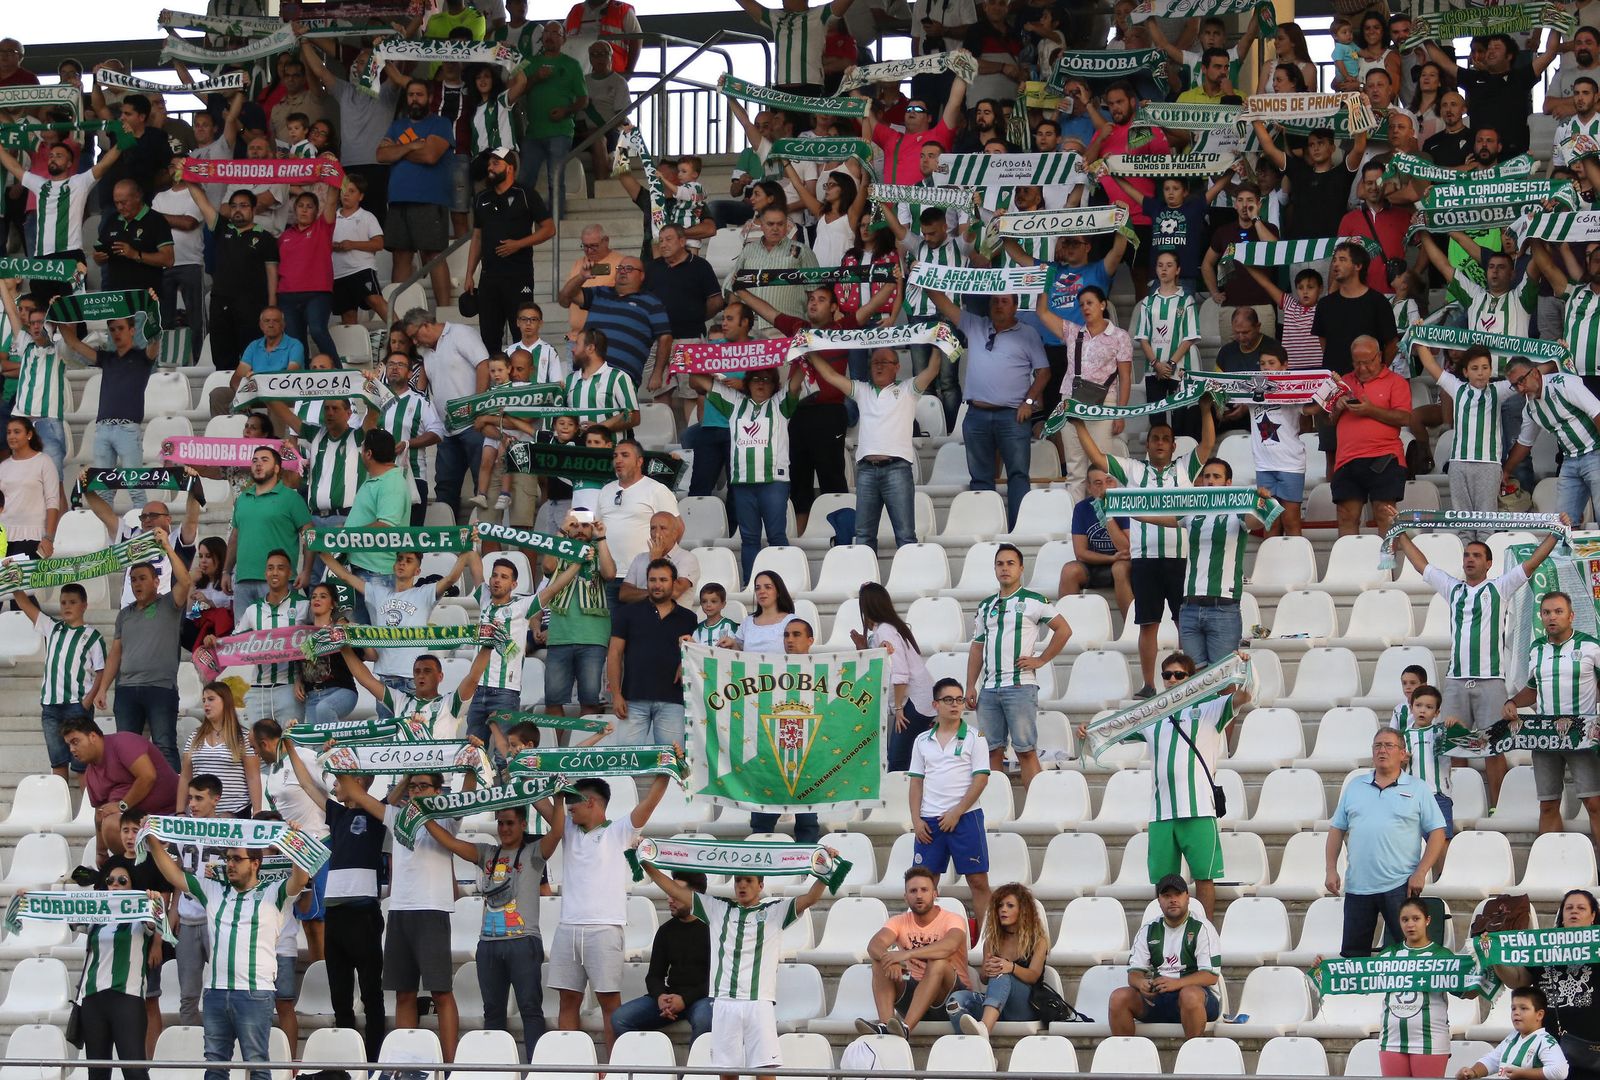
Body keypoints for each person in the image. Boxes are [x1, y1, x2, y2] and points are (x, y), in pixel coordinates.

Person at [636, 843, 837, 1080]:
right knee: (727, 1073)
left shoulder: (775, 910)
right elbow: (672, 888)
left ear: (761, 885)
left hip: (758, 1002)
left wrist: (828, 866)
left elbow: (812, 897)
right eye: (738, 880)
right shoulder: (716, 908)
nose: (742, 885)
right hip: (724, 1002)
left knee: (765, 1072)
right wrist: (645, 862)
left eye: (749, 881)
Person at [1392, 526, 1560, 809]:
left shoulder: (1500, 587)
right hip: (1456, 681)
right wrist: (1400, 534)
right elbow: (1422, 565)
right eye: (1467, 555)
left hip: (1491, 680)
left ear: (1488, 563)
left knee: (1494, 747)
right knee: (1455, 745)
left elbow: (1533, 562)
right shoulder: (1452, 588)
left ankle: (1496, 807)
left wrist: (1556, 534)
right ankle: (1461, 804)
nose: (1470, 559)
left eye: (1477, 555)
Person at [140, 821, 312, 1080]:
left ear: (255, 863)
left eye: (237, 859)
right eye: (228, 858)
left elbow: (300, 878)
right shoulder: (213, 890)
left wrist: (296, 842)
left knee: (257, 1065)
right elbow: (174, 876)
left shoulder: (273, 893)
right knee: (215, 1065)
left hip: (255, 992)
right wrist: (152, 841)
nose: (230, 864)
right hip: (216, 992)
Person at [1072, 410, 1215, 694]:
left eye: (1165, 439)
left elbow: (1208, 444)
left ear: (1174, 446)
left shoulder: (1186, 468)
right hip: (1145, 558)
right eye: (1155, 439)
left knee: (1182, 622)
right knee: (1147, 623)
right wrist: (1079, 424)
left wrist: (1207, 409)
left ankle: (1185, 679)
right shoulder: (1133, 470)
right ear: (1147, 445)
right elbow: (1099, 458)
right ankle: (1149, 683)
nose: (1160, 443)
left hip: (1179, 557)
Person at [418, 796, 563, 1061]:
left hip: (523, 940)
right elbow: (450, 842)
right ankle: (494, 1068)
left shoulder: (534, 853)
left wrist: (559, 799)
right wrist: (425, 818)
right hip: (488, 944)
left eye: (510, 823)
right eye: (500, 823)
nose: (504, 829)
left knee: (530, 1010)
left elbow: (558, 831)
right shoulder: (487, 852)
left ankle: (537, 1070)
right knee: (493, 1012)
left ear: (522, 824)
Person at [551, 775, 672, 1055]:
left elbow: (651, 802)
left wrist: (665, 770)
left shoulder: (620, 830)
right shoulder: (566, 826)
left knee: (609, 1003)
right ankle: (571, 1069)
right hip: (567, 926)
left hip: (605, 928)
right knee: (567, 1001)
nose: (568, 806)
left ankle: (610, 1069)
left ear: (590, 801)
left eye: (573, 801)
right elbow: (542, 804)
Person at [923, 289, 1050, 530]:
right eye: (995, 301)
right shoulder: (975, 324)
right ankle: (986, 529)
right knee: (980, 479)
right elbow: (943, 303)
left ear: (1015, 306)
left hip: (1013, 415)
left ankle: (1018, 530)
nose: (998, 305)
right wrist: (924, 279)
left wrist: (1030, 403)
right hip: (976, 415)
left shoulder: (1028, 333)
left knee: (1018, 476)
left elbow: (1044, 372)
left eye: (1004, 301)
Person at [1326, 727, 1450, 957]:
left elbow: (1438, 832)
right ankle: (1358, 995)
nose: (1382, 750)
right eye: (1377, 745)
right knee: (1354, 958)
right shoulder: (1355, 786)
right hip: (1357, 886)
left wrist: (1422, 872)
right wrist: (1331, 869)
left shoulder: (1418, 788)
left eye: (1389, 745)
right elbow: (1336, 830)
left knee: (1409, 956)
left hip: (1400, 885)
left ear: (1403, 754)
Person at [964, 544, 1070, 789]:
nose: (1005, 568)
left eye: (1010, 563)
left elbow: (1064, 630)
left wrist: (1041, 660)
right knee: (991, 752)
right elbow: (977, 646)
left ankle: (1037, 806)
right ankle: (995, 807)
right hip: (989, 689)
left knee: (1025, 751)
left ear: (1021, 568)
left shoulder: (1034, 601)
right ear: (994, 568)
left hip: (1020, 685)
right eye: (1000, 564)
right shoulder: (985, 606)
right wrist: (971, 684)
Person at [1504, 590, 1600, 843]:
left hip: (1582, 735)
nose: (1551, 617)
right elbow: (1533, 689)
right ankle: (1550, 865)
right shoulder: (1537, 649)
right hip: (1545, 736)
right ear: (1541, 617)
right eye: (1546, 612)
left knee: (1594, 803)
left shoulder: (1590, 646)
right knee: (1547, 805)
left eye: (1558, 611)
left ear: (1571, 616)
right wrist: (1513, 701)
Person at [99, 531, 193, 772]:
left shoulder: (169, 605)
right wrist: (102, 689)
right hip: (126, 690)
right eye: (133, 580)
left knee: (164, 747)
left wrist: (168, 549)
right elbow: (115, 654)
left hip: (160, 688)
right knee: (126, 749)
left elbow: (185, 582)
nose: (137, 584)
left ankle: (172, 806)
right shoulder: (124, 614)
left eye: (142, 578)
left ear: (156, 582)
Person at [1377, 897, 1498, 1077]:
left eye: (1416, 918)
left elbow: (1467, 993)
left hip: (1430, 1040)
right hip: (1391, 1039)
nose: (1410, 924)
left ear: (1427, 920)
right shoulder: (1389, 954)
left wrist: (1491, 965)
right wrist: (1324, 970)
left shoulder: (1442, 956)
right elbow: (1356, 975)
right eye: (1405, 919)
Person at [909, 673, 992, 921]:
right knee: (924, 884)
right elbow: (916, 783)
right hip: (929, 821)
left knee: (977, 881)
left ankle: (986, 944)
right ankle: (923, 940)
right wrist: (916, 820)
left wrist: (956, 812)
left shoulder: (976, 737)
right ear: (936, 704)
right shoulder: (922, 740)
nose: (956, 705)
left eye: (959, 700)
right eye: (948, 700)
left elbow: (981, 779)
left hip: (965, 818)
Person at [856, 865, 968, 1037]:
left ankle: (906, 1028)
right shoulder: (899, 921)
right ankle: (887, 1026)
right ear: (905, 897)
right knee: (879, 962)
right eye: (913, 891)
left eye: (924, 890)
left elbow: (949, 946)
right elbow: (874, 945)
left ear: (935, 894)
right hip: (914, 996)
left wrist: (906, 954)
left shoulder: (953, 919)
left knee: (938, 962)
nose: (919, 895)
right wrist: (891, 959)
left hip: (949, 998)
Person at [58, 315, 159, 501]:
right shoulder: (107, 358)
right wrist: (57, 315)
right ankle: (107, 531)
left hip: (127, 428)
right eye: (112, 330)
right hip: (103, 428)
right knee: (105, 491)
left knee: (135, 487)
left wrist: (153, 311)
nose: (116, 333)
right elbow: (73, 343)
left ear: (132, 330)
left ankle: (143, 529)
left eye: (120, 328)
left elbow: (155, 341)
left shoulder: (142, 357)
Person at [1109, 874, 1221, 1038]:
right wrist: (1142, 983)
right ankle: (1127, 1057)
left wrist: (1177, 983)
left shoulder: (1202, 928)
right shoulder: (1148, 930)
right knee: (1118, 998)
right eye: (1167, 895)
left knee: (1189, 995)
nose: (1173, 900)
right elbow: (1134, 974)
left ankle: (1192, 1054)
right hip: (1158, 998)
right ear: (1159, 901)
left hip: (1198, 998)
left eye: (1177, 894)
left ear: (1187, 898)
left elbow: (1210, 976)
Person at [466, 147, 554, 354]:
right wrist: (469, 273)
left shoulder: (526, 194)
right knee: (489, 336)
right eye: (489, 163)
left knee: (521, 334)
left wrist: (519, 243)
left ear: (510, 167)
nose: (490, 167)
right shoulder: (481, 198)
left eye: (496, 163)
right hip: (489, 278)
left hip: (518, 276)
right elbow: (477, 236)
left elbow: (549, 229)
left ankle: (522, 383)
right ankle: (495, 384)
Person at [378, 79, 456, 306]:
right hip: (398, 200)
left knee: (434, 255)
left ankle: (444, 311)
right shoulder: (396, 125)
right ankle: (398, 313)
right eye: (411, 94)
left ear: (430, 98)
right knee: (400, 257)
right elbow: (380, 155)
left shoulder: (440, 124)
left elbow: (430, 156)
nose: (414, 99)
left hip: (430, 199)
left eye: (419, 94)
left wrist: (397, 151)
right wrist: (413, 146)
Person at [611, 871, 713, 1042]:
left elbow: (716, 979)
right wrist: (660, 997)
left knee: (705, 1020)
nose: (670, 899)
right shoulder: (666, 931)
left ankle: (695, 1068)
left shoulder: (714, 930)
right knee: (620, 1018)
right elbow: (654, 976)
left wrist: (684, 1000)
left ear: (693, 896)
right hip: (670, 998)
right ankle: (645, 1067)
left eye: (676, 894)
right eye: (669, 893)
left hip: (703, 997)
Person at [607, 556, 699, 744]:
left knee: (672, 761)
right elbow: (614, 654)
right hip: (633, 699)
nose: (657, 585)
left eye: (663, 580)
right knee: (627, 761)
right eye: (653, 580)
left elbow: (695, 655)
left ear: (674, 583)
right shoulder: (627, 613)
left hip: (672, 700)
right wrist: (616, 694)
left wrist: (685, 662)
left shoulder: (688, 618)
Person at [61, 718, 179, 858]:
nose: (72, 749)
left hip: (173, 815)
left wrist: (122, 805)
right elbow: (100, 815)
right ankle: (133, 869)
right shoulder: (91, 775)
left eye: (75, 742)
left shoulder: (123, 743)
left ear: (92, 736)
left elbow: (147, 776)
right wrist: (101, 851)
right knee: (110, 823)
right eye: (69, 745)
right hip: (135, 827)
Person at [1504, 358, 1600, 528]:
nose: (1520, 388)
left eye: (1521, 381)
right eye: (1515, 385)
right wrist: (1506, 471)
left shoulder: (1564, 384)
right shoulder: (1529, 408)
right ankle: (1570, 554)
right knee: (1563, 524)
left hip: (1595, 452)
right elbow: (1524, 443)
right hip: (1569, 461)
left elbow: (1597, 412)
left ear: (1535, 372)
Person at [1331, 336, 1411, 537]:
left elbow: (1404, 418)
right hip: (1347, 458)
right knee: (1346, 515)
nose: (1362, 368)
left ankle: (1388, 568)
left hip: (1385, 457)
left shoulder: (1396, 381)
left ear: (1380, 357)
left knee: (1385, 514)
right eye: (1357, 363)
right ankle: (1350, 568)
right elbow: (1326, 422)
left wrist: (1370, 410)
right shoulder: (1344, 382)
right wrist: (1337, 408)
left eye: (1367, 362)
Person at [946, 883, 1047, 1037]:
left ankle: (984, 1028)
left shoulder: (1038, 941)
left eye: (1010, 905)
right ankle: (980, 1046)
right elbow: (985, 980)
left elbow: (1034, 976)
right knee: (956, 1001)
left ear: (1023, 911)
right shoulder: (992, 941)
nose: (1003, 910)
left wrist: (1011, 967)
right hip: (996, 1006)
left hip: (1024, 1007)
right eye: (1000, 906)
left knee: (1002, 974)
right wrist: (986, 972)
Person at [852, 583, 934, 772]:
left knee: (898, 762)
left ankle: (904, 801)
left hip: (912, 703)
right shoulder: (887, 628)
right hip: (916, 701)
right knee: (908, 761)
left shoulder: (885, 630)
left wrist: (898, 708)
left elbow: (900, 672)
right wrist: (863, 649)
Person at [557, 253, 672, 385]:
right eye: (620, 268)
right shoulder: (600, 292)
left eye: (629, 269)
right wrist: (581, 277)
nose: (623, 271)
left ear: (642, 276)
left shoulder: (652, 303)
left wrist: (657, 374)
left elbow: (665, 338)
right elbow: (564, 299)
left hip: (621, 379)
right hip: (585, 374)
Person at [596, 439, 680, 595]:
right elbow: (598, 528)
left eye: (625, 455)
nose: (618, 460)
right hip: (608, 575)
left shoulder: (657, 490)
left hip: (643, 576)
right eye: (615, 456)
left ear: (639, 461)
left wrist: (659, 563)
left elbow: (677, 529)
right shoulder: (606, 490)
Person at [177, 682, 261, 816]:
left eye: (211, 699)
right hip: (201, 814)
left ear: (225, 701)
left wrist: (257, 812)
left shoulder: (243, 737)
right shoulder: (194, 736)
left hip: (235, 813)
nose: (206, 704)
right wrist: (180, 811)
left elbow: (253, 777)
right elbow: (185, 776)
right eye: (203, 700)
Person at [1061, 464, 1132, 615]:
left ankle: (1131, 629)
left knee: (1119, 568)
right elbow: (1080, 553)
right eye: (1098, 483)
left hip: (1123, 565)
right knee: (1069, 570)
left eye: (1109, 481)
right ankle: (1067, 629)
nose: (1104, 488)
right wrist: (1111, 558)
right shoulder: (1082, 508)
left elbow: (1126, 550)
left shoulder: (1125, 504)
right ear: (1089, 486)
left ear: (1116, 483)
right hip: (1095, 565)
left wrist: (1108, 516)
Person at [0, 416, 60, 559]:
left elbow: (52, 502)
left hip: (33, 536)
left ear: (29, 435)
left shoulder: (44, 461)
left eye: (16, 432)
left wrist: (48, 537)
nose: (11, 436)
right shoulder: (3, 466)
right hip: (4, 536)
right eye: (9, 432)